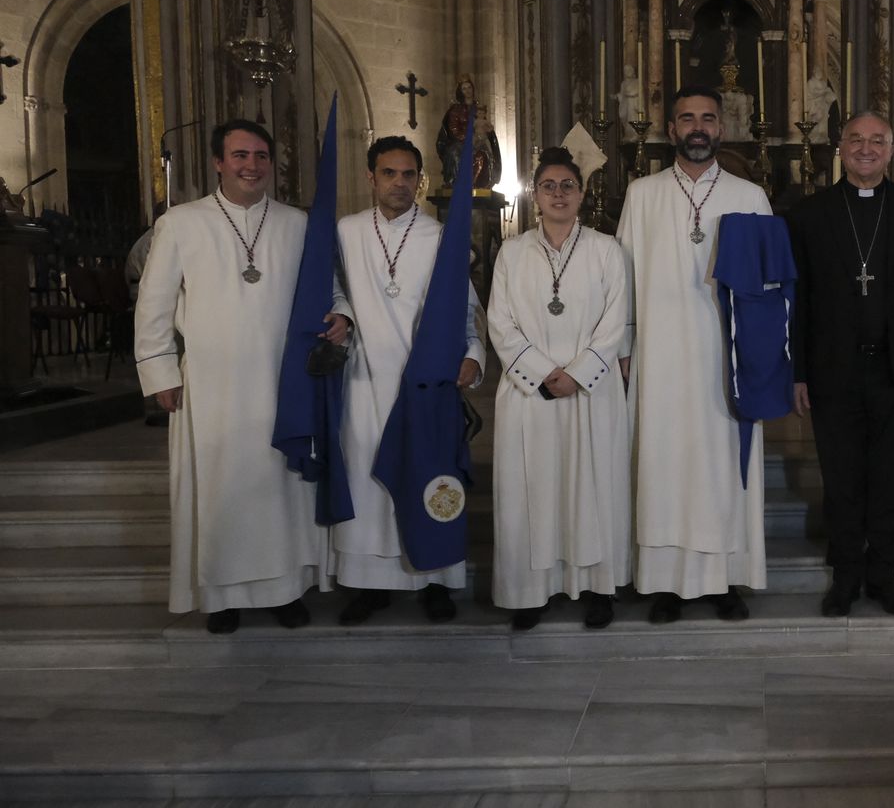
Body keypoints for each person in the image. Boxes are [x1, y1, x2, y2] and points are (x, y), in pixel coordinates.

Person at [134, 119, 350, 633]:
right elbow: (154, 306)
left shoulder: (297, 224)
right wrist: (160, 371)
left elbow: (331, 287)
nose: (251, 166)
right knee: (221, 491)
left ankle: (284, 591)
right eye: (239, 156)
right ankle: (222, 595)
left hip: (284, 382)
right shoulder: (181, 224)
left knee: (280, 488)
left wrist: (343, 316)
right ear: (217, 162)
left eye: (260, 156)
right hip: (213, 388)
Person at [617, 84, 774, 624]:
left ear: (721, 128)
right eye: (687, 118)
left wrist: (763, 356)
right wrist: (624, 347)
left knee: (723, 465)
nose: (698, 127)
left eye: (708, 118)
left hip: (727, 358)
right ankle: (665, 582)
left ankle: (726, 577)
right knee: (662, 463)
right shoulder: (642, 194)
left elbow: (769, 286)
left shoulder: (750, 196)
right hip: (659, 355)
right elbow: (623, 280)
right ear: (671, 129)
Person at [788, 111, 894, 617]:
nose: (866, 148)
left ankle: (885, 576)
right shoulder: (809, 214)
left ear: (891, 150)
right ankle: (846, 577)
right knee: (842, 480)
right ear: (841, 148)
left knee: (891, 479)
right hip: (834, 372)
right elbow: (800, 299)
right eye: (856, 139)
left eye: (877, 140)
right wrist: (799, 371)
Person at [330, 136, 484, 626]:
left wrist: (474, 355)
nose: (399, 183)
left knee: (429, 478)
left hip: (426, 383)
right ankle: (368, 584)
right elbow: (335, 292)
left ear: (420, 180)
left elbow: (466, 307)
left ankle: (435, 578)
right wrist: (341, 316)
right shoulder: (346, 232)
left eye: (408, 175)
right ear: (370, 177)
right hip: (364, 377)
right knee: (367, 478)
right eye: (388, 173)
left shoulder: (441, 236)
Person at [487, 147, 632, 631]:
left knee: (594, 488)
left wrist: (579, 373)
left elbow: (617, 322)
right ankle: (531, 592)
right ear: (534, 195)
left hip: (591, 392)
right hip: (532, 394)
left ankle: (598, 588)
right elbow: (501, 324)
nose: (558, 194)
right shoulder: (511, 253)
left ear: (582, 192)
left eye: (567, 185)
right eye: (548, 186)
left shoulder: (606, 250)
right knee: (531, 491)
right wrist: (543, 372)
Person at [435, 74, 503, 190]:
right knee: (454, 152)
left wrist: (488, 132)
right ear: (460, 91)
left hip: (478, 140)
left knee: (483, 155)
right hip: (461, 141)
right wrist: (468, 137)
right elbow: (453, 129)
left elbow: (483, 124)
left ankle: (479, 184)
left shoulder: (479, 108)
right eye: (464, 88)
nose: (467, 91)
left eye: (469, 87)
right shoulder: (456, 109)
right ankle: (455, 182)